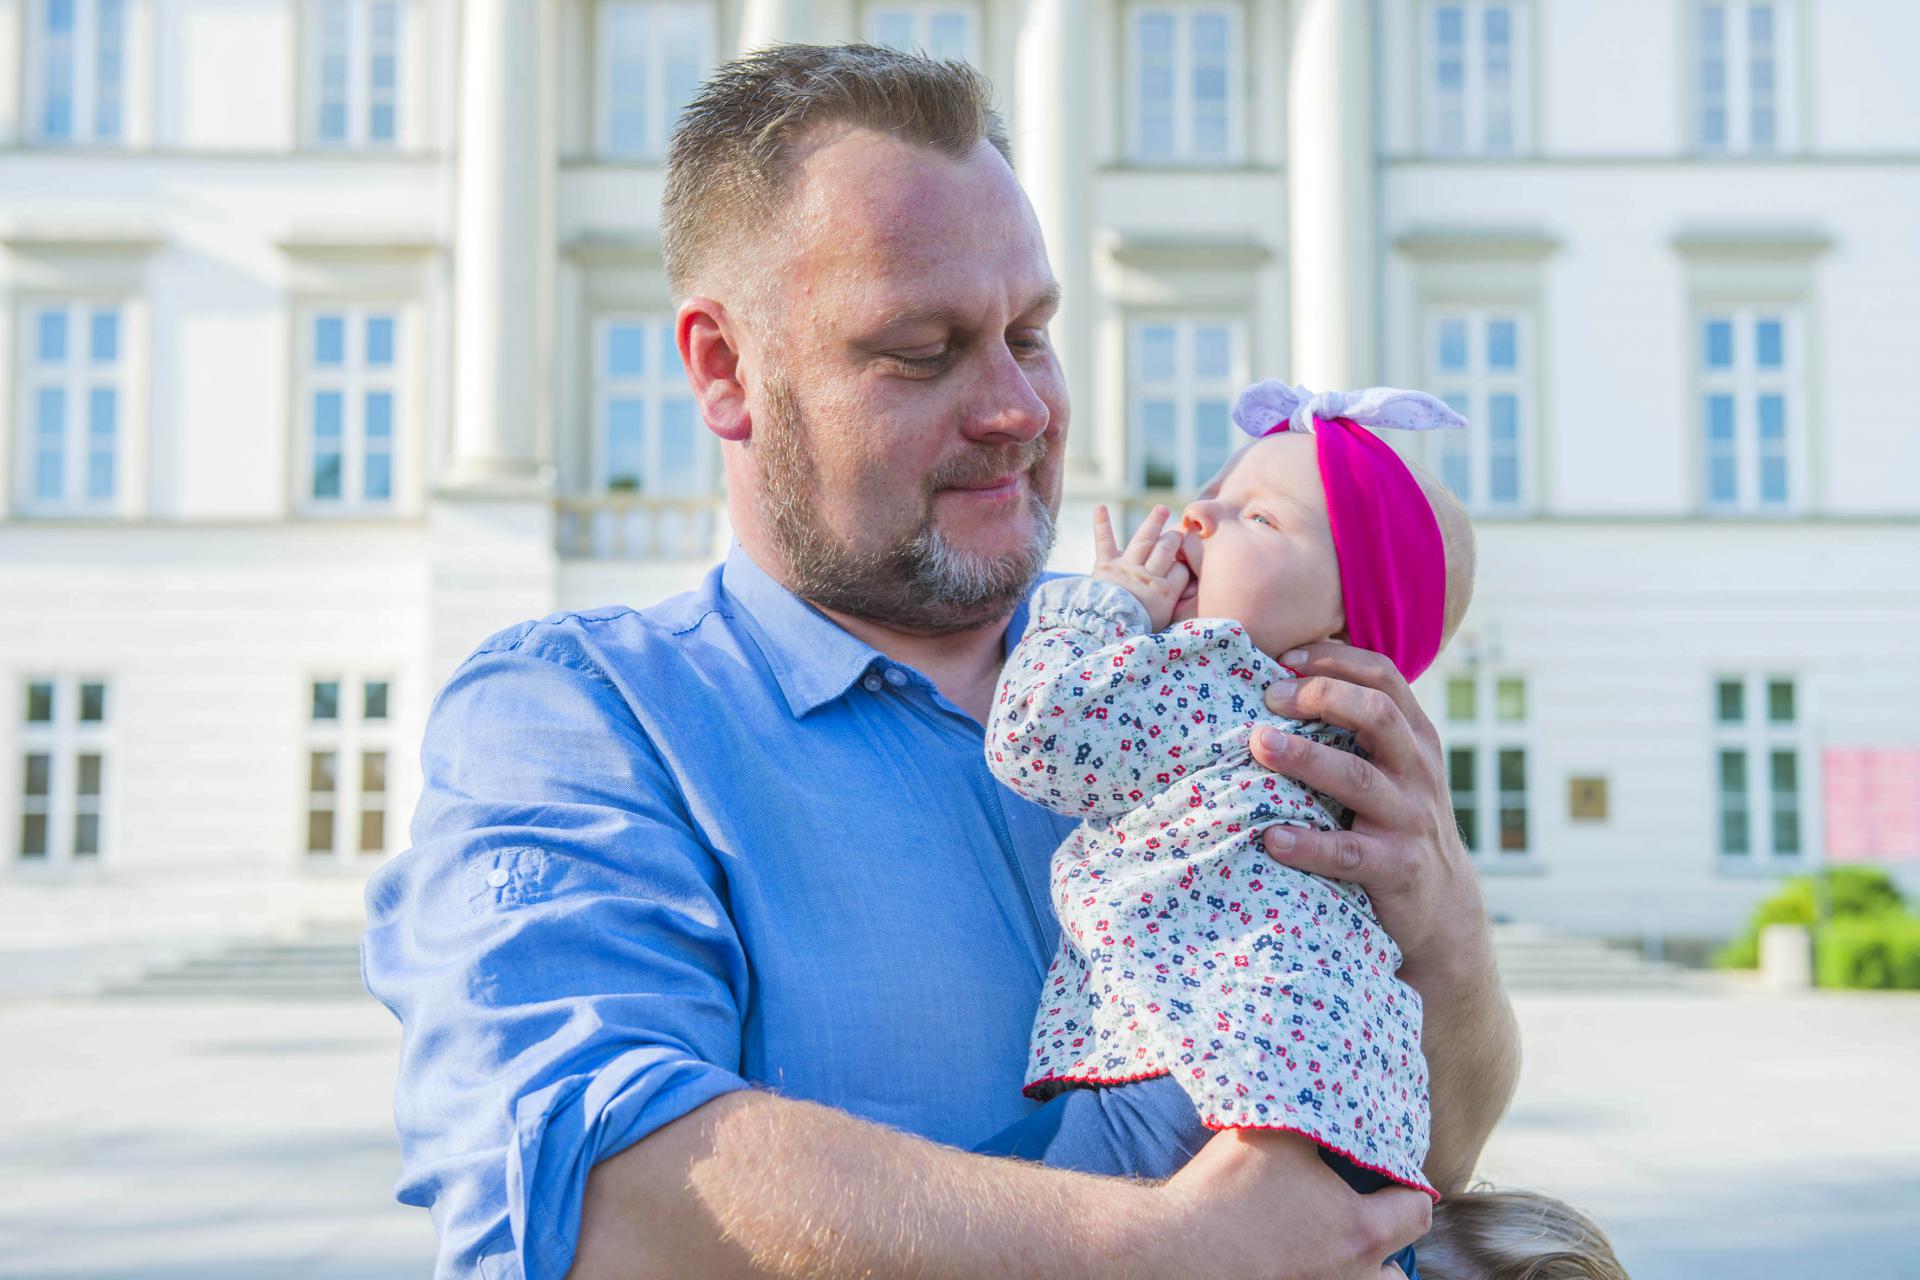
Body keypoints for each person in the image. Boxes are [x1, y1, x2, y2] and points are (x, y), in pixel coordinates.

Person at [360, 44, 1520, 1280]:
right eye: (923, 347)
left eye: (1032, 332)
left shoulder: (1209, 675)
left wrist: (1447, 938)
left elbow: (1418, 1163)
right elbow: (593, 1187)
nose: (1020, 407)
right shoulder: (583, 716)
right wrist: (1160, 1252)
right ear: (726, 369)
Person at [976, 379, 1627, 1280]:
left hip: (1195, 1070)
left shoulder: (1218, 675)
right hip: (1324, 1104)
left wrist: (1097, 610)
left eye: (1260, 518)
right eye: (1215, 491)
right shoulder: (1336, 740)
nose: (1199, 514)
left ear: (1345, 621)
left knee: (970, 1220)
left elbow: (1035, 736)